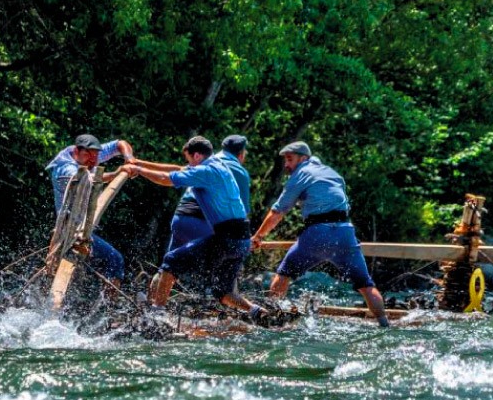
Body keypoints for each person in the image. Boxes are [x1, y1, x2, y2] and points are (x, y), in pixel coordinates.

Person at [250, 141, 390, 327]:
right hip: (344, 232)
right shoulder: (333, 173)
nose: (286, 165)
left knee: (284, 274)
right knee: (366, 285)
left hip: (317, 233)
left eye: (290, 159)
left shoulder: (300, 175)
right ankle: (384, 324)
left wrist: (258, 236)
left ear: (303, 158)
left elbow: (278, 211)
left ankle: (271, 318)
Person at [127, 136, 262, 317]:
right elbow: (176, 169)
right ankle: (257, 311)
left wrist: (137, 170)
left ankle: (156, 314)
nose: (188, 164)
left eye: (189, 159)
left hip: (226, 237)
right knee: (224, 293)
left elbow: (167, 179)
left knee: (170, 261)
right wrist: (138, 163)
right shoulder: (218, 166)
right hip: (242, 239)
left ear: (197, 155)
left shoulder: (205, 171)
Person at [45, 134, 134, 294]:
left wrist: (129, 159)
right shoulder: (65, 168)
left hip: (85, 228)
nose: (93, 162)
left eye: (96, 157)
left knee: (110, 263)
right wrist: (116, 173)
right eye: (89, 157)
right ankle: (110, 307)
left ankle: (104, 305)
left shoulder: (88, 155)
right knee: (116, 259)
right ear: (77, 151)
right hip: (70, 233)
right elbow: (88, 179)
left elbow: (119, 144)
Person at [166, 134, 251, 251]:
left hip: (180, 217)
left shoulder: (207, 160)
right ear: (241, 155)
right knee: (204, 265)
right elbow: (242, 212)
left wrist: (139, 165)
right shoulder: (239, 172)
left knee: (171, 262)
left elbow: (175, 172)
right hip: (204, 225)